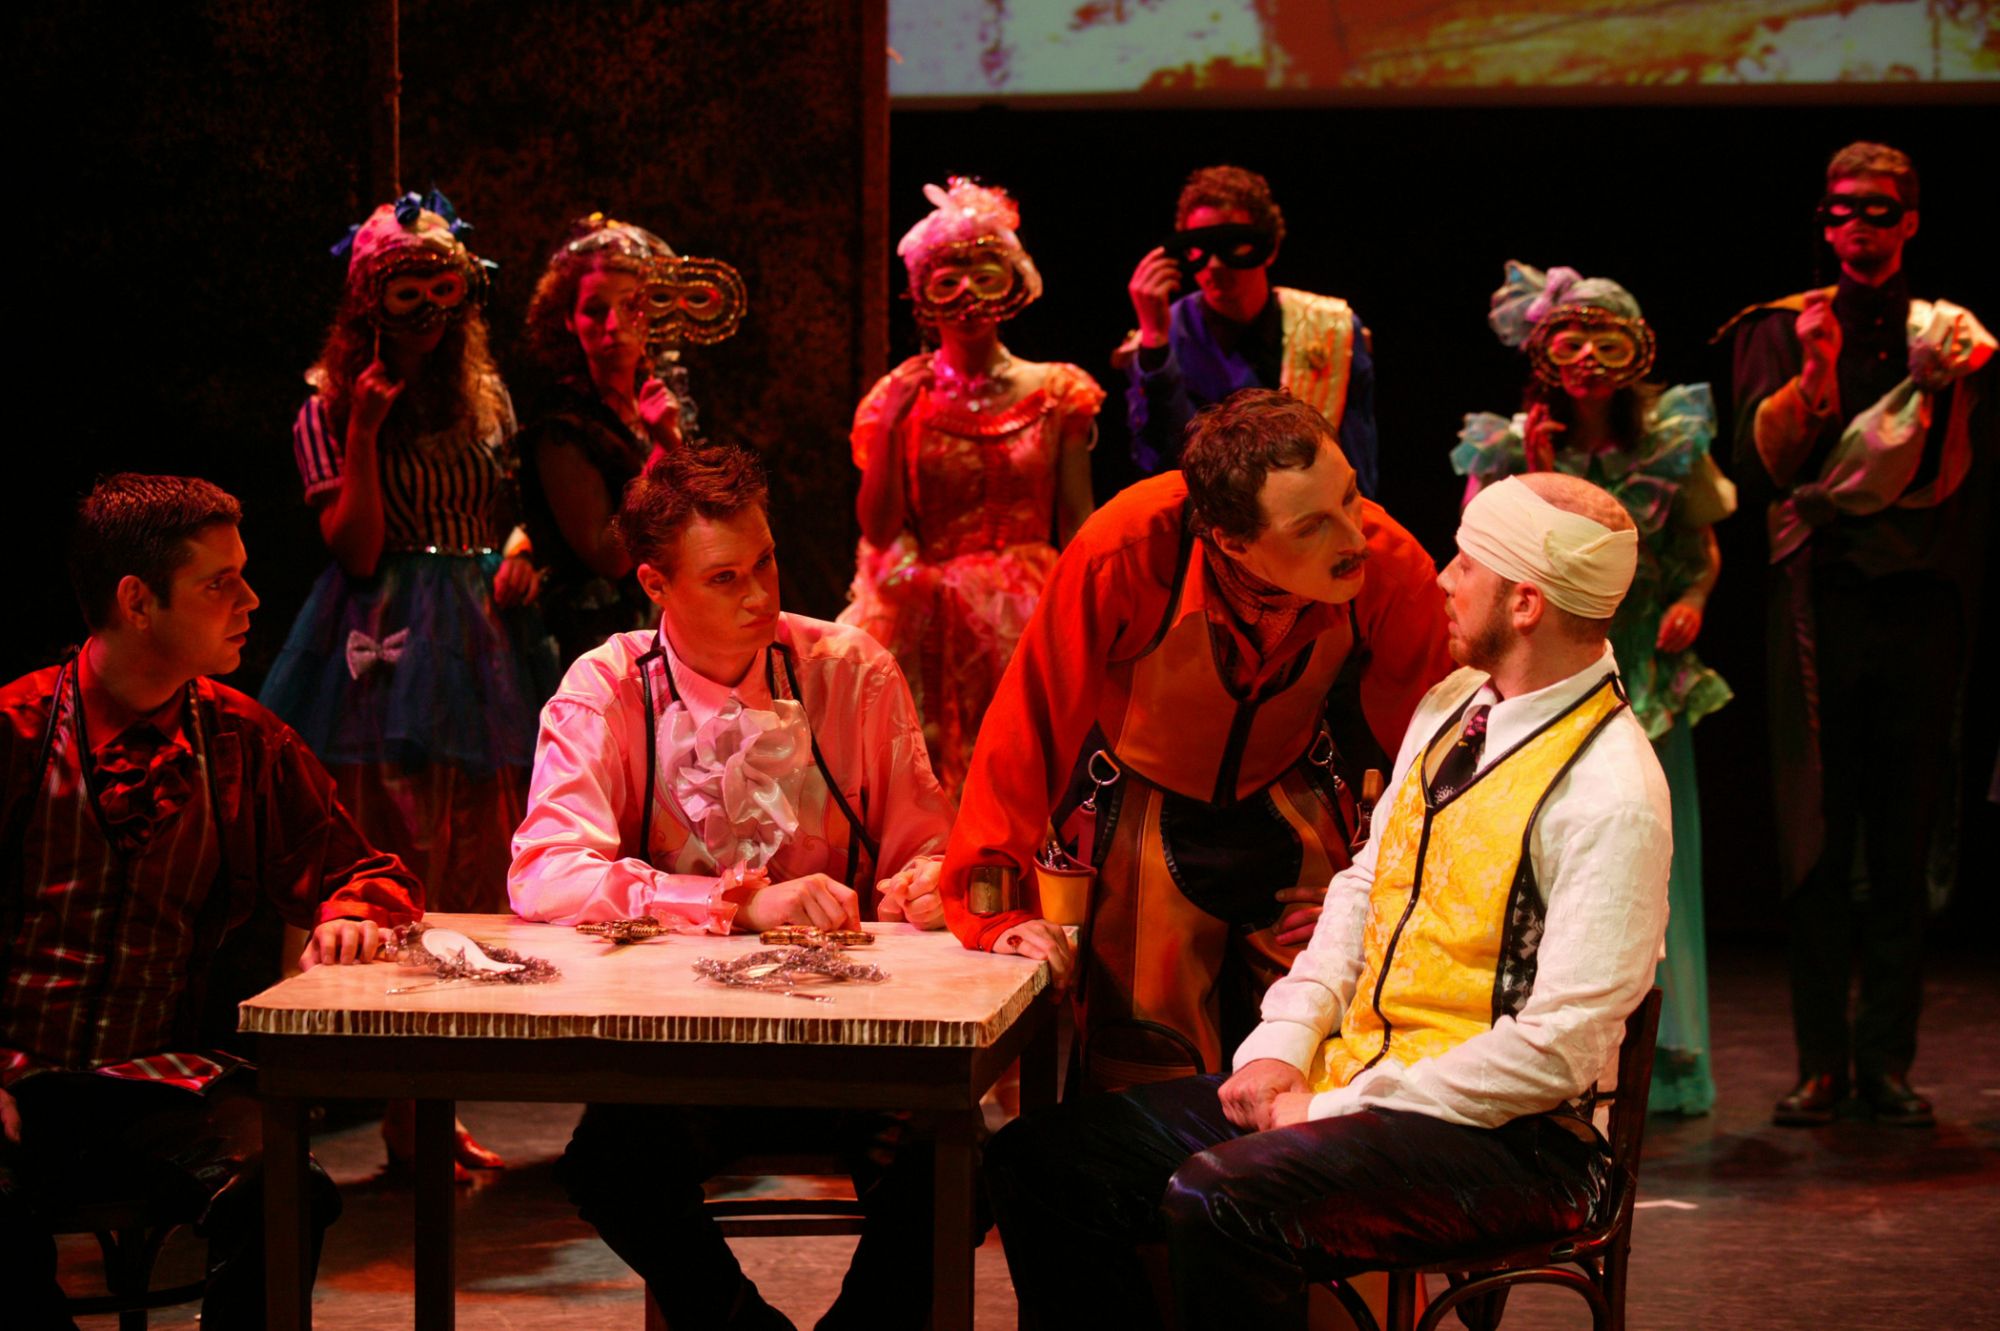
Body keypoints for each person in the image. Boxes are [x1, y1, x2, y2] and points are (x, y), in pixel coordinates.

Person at [983, 473, 1671, 1330]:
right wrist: (1283, 1045)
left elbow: (1557, 1051)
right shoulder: (1455, 705)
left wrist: (1332, 1107)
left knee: (1221, 1201)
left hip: (1513, 1139)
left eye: (1467, 564)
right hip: (1363, 1084)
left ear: (1525, 603)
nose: (1443, 580)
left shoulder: (1611, 791)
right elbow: (1363, 887)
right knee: (1046, 1160)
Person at [511, 445, 957, 1330]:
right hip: (687, 1057)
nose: (759, 594)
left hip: (861, 1047)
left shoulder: (852, 669)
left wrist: (927, 884)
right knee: (611, 1161)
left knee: (958, 1164)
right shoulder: (607, 687)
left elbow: (928, 847)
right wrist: (736, 902)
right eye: (725, 577)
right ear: (655, 583)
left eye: (766, 562)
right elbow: (547, 868)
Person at [1, 474, 423, 1331]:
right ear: (137, 601)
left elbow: (364, 868)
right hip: (15, 1078)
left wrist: (350, 910)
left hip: (158, 1082)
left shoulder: (241, 740)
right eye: (219, 582)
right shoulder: (17, 729)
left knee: (283, 1187)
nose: (251, 600)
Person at [941, 388, 1453, 1092]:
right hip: (1145, 822)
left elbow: (1441, 754)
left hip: (1292, 806)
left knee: (1328, 1051)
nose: (1353, 537)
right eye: (1312, 526)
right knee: (1144, 1067)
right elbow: (1030, 718)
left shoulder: (1387, 562)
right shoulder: (1125, 549)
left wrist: (1389, 892)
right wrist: (994, 908)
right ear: (1232, 541)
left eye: (1350, 496)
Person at [258, 189, 552, 1171]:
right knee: (394, 851)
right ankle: (379, 1100)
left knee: (470, 860)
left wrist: (520, 550)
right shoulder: (328, 404)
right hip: (381, 637)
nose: (428, 310)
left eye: (443, 289)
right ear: (367, 304)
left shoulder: (483, 394)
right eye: (405, 292)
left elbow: (512, 506)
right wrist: (365, 433)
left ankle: (427, 1109)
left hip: (479, 637)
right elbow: (352, 548)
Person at [1720, 141, 1996, 1128]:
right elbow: (1758, 468)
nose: (1858, 227)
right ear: (1824, 223)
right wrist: (1815, 372)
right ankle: (1820, 1065)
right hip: (1816, 606)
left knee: (1901, 837)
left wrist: (1940, 385)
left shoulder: (1949, 336)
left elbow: (1964, 472)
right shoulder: (1779, 329)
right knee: (1815, 835)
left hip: (1918, 606)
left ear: (1908, 221)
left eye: (1878, 210)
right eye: (1840, 211)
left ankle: (1884, 1061)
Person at [1455, 261, 1734, 1115]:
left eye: (1604, 341)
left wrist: (1692, 600)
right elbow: (1482, 552)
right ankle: (1539, 1046)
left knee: (1648, 854)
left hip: (1642, 665)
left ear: (1634, 351)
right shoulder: (1509, 445)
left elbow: (1702, 549)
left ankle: (1663, 1057)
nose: (1584, 358)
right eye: (1568, 339)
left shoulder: (1669, 441)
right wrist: (1535, 471)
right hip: (1544, 666)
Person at [840, 179, 1101, 798]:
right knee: (925, 773)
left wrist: (1093, 615)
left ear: (1010, 283)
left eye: (984, 277)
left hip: (1028, 603)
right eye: (946, 282)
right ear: (922, 296)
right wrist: (893, 422)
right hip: (930, 608)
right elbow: (878, 529)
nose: (966, 298)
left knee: (1032, 767)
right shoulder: (897, 396)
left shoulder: (1057, 392)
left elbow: (1078, 521)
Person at [1119, 165, 1379, 495]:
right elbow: (1160, 464)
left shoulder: (1330, 329)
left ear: (1270, 248)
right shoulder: (1166, 335)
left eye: (1233, 244)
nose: (1215, 264)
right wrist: (1155, 348)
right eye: (1198, 247)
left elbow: (1358, 470)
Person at [516, 214, 687, 667]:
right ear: (568, 320)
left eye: (631, 306)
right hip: (598, 640)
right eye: (595, 310)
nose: (613, 324)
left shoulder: (663, 395)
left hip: (671, 623)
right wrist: (664, 449)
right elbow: (609, 556)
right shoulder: (562, 420)